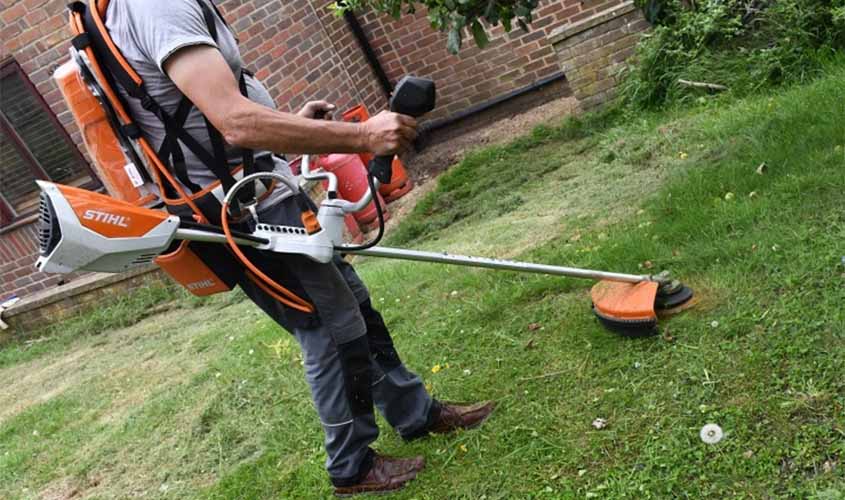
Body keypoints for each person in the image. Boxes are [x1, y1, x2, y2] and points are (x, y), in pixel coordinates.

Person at [104, 0, 495, 495]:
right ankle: (351, 464)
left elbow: (195, 116)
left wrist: (287, 124)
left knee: (352, 306)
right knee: (332, 333)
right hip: (250, 213)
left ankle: (413, 411)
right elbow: (235, 122)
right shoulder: (155, 5)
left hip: (256, 194)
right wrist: (363, 136)